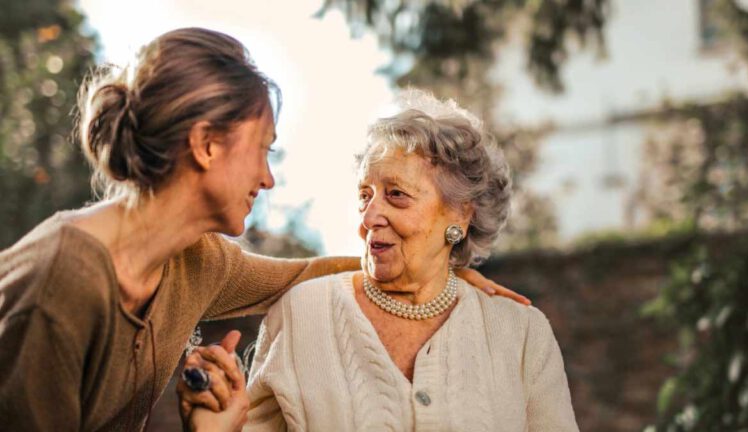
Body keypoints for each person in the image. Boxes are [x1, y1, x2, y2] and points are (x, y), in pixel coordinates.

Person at [0, 28, 525, 431]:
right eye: (262, 150)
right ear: (206, 145)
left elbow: (301, 275)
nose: (268, 178)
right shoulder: (58, 284)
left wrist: (435, 271)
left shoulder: (196, 260)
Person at [182, 91, 578, 431]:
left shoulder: (522, 334)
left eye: (396, 195)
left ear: (460, 215)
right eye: (364, 195)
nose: (370, 217)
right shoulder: (302, 314)